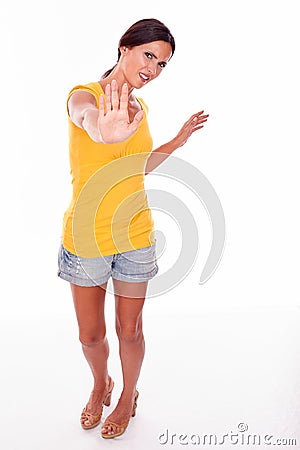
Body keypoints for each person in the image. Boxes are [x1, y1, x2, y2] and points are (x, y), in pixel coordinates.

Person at [57, 18, 209, 439]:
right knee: (91, 335)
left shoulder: (140, 109)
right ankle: (99, 383)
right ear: (124, 47)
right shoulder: (85, 96)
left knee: (131, 329)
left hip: (135, 235)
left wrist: (176, 141)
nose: (154, 69)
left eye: (162, 64)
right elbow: (85, 116)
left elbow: (135, 167)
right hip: (86, 237)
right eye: (149, 56)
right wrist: (99, 129)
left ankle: (127, 396)